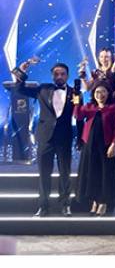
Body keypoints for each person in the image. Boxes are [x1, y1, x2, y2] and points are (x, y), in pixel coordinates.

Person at [11, 60, 78, 217]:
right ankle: (43, 206)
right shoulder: (43, 89)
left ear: (67, 76)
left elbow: (79, 116)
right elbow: (19, 89)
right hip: (45, 137)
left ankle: (65, 205)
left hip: (64, 138)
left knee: (65, 173)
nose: (59, 76)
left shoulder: (75, 93)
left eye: (62, 74)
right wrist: (22, 71)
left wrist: (81, 138)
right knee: (44, 174)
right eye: (56, 74)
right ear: (52, 76)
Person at [75, 81, 115, 217]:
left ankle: (103, 202)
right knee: (92, 173)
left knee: (104, 174)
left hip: (105, 145)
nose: (100, 95)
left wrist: (113, 144)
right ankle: (94, 201)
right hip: (90, 146)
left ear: (108, 93)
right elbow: (77, 115)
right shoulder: (89, 107)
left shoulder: (113, 108)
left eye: (103, 91)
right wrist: (76, 99)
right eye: (97, 92)